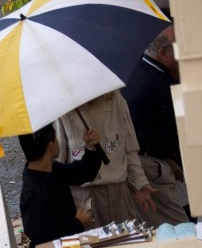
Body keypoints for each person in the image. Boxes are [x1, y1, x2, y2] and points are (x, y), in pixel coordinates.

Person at [122, 23, 193, 224]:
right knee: (179, 226)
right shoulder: (161, 85)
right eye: (180, 47)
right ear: (163, 54)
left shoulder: (136, 67)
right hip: (148, 167)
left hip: (153, 159)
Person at [53, 91, 158, 226]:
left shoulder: (117, 101)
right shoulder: (62, 110)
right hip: (84, 197)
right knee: (94, 246)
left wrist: (141, 184)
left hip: (119, 193)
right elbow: (57, 162)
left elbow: (130, 149)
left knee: (128, 243)